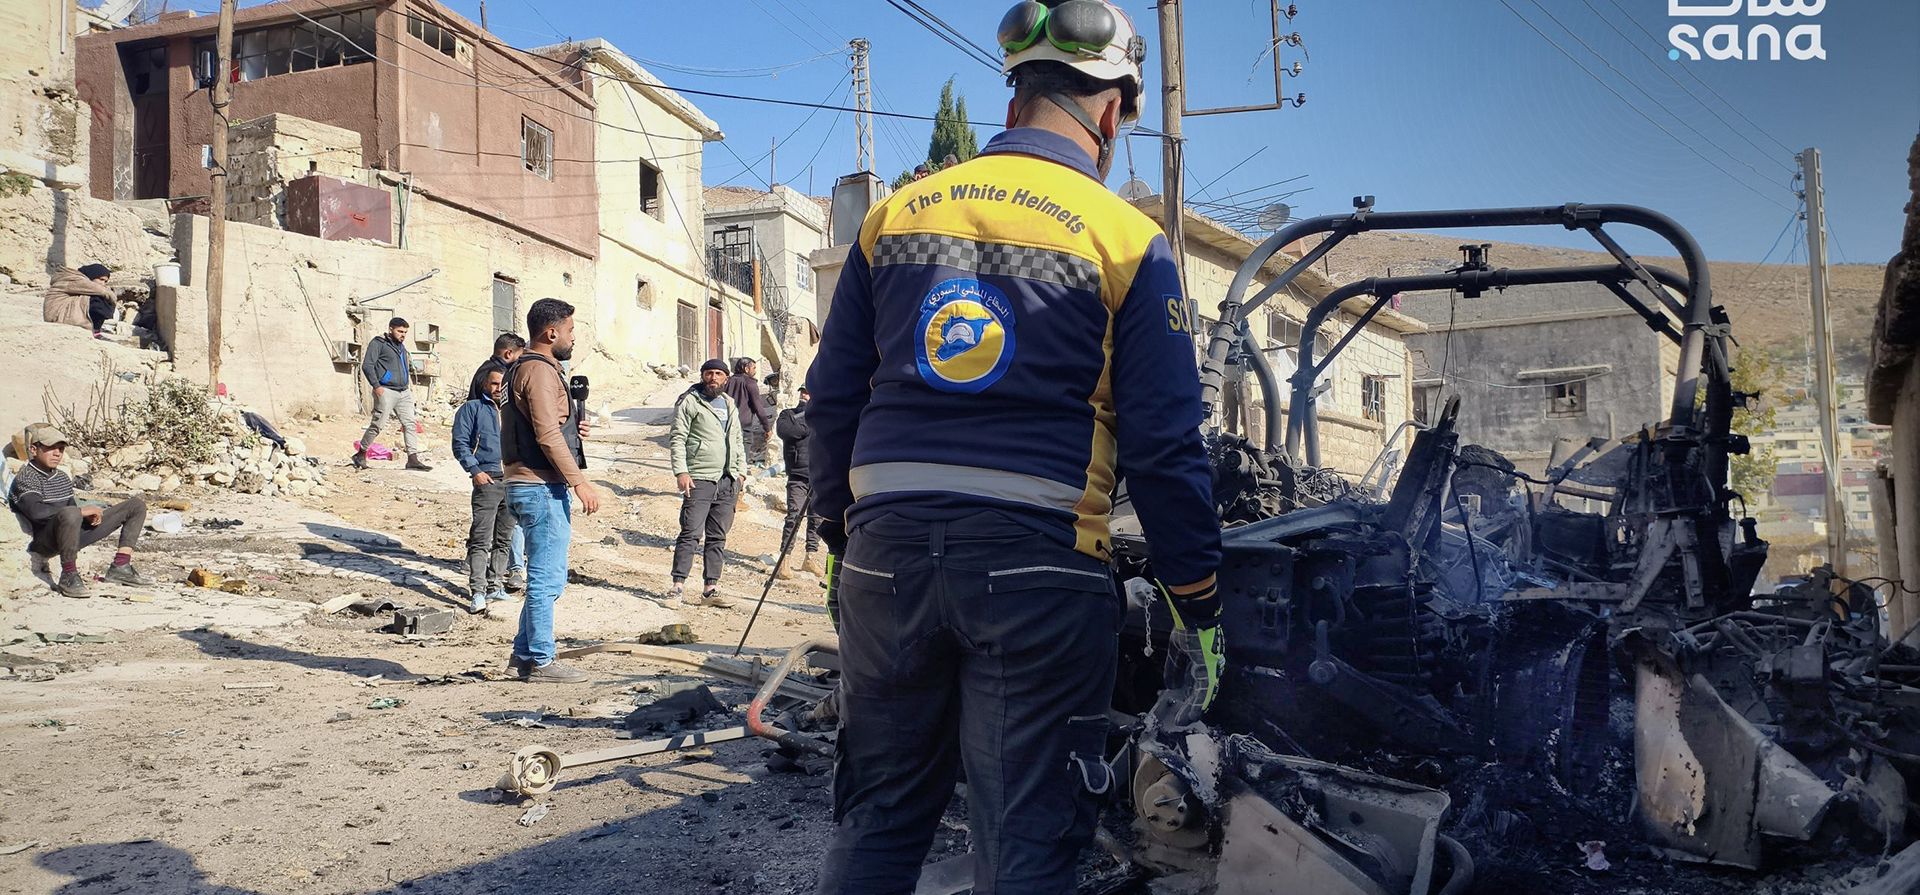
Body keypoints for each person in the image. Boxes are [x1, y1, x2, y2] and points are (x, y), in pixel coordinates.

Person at [806, 2, 1224, 890]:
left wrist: (845, 540)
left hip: (885, 565)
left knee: (878, 818)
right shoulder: (1126, 238)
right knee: (1026, 841)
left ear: (1013, 98)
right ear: (1111, 112)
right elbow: (1164, 443)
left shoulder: (895, 216)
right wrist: (1198, 594)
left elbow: (832, 399)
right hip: (1040, 575)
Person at [501, 298, 603, 684]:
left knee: (548, 576)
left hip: (526, 482)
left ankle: (522, 657)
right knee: (547, 578)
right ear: (552, 332)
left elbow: (542, 426)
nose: (573, 339)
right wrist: (580, 481)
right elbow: (544, 433)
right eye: (572, 331)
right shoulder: (540, 371)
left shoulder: (519, 369)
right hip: (540, 487)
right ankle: (543, 661)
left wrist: (571, 430)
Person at [8, 427, 152, 598]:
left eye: (61, 449)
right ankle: (68, 575)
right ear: (33, 449)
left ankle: (121, 566)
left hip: (71, 534)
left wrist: (88, 517)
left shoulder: (61, 477)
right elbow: (37, 512)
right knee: (71, 513)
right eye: (50, 448)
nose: (57, 453)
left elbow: (71, 508)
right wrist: (80, 511)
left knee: (136, 505)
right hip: (45, 541)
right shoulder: (26, 478)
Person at [668, 359, 746, 608]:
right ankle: (677, 586)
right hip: (699, 477)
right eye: (709, 373)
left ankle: (710, 589)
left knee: (717, 537)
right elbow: (678, 437)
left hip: (728, 479)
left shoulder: (729, 404)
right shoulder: (690, 401)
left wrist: (741, 472)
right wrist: (681, 471)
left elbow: (738, 440)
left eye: (719, 374)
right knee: (691, 533)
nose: (713, 378)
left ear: (726, 378)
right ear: (702, 376)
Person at [452, 368, 514, 614]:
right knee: (481, 539)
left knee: (504, 538)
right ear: (485, 385)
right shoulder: (472, 409)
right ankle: (477, 591)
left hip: (511, 481)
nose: (499, 388)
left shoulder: (513, 412)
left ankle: (495, 585)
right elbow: (460, 443)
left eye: (502, 384)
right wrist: (475, 470)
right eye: (494, 383)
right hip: (486, 481)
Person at [471, 333, 529, 592]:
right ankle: (507, 572)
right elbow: (468, 433)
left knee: (500, 527)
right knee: (494, 527)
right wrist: (475, 467)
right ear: (508, 354)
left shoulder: (489, 374)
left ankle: (493, 575)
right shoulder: (496, 377)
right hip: (492, 468)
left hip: (504, 466)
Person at [354, 317, 432, 472]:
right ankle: (361, 453)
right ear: (391, 329)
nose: (403, 335)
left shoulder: (401, 348)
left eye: (405, 332)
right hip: (386, 390)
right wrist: (376, 386)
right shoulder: (378, 343)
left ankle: (412, 459)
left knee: (410, 424)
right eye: (400, 331)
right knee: (378, 424)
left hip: (404, 392)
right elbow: (368, 365)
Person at [773, 386, 823, 580]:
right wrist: (807, 419)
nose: (805, 395)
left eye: (809, 392)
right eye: (803, 392)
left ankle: (810, 556)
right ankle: (784, 559)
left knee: (817, 519)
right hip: (797, 475)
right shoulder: (788, 414)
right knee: (794, 516)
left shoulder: (822, 416)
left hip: (818, 475)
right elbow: (787, 432)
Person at [723, 357, 772, 469]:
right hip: (743, 426)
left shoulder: (728, 381)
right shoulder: (750, 383)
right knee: (741, 461)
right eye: (753, 368)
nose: (755, 371)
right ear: (746, 369)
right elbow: (758, 407)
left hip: (726, 424)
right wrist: (767, 428)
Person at [43, 264, 114, 336]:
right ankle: (95, 330)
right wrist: (112, 300)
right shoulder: (73, 279)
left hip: (61, 314)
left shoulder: (78, 279)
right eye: (101, 279)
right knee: (97, 300)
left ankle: (95, 330)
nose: (103, 284)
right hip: (57, 317)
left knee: (100, 298)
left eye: (105, 282)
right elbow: (104, 292)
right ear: (92, 275)